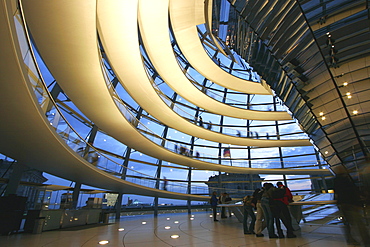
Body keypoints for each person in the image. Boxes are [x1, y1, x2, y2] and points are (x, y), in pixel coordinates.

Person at [334, 169, 370, 246]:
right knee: (358, 223)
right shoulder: (346, 180)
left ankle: (351, 239)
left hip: (345, 205)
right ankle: (366, 240)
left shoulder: (337, 181)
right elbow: (351, 192)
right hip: (350, 205)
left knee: (349, 223)